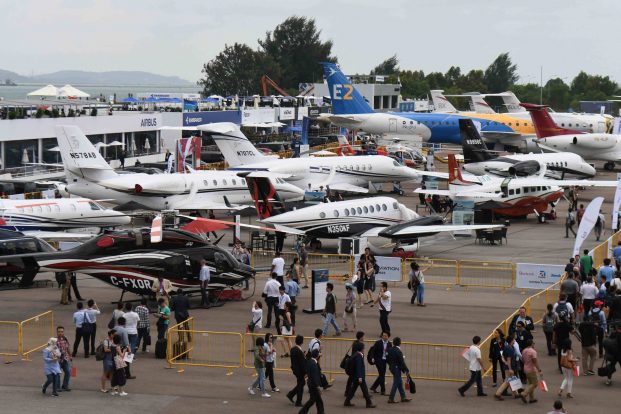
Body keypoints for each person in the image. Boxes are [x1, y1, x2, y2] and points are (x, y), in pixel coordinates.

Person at [344, 341, 376, 408]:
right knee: (365, 390)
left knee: (353, 389)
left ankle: (347, 401)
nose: (364, 349)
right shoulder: (358, 356)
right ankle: (369, 403)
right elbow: (358, 367)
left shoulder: (356, 354)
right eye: (363, 348)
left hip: (356, 376)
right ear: (361, 348)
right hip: (359, 376)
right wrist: (360, 377)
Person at [494, 334, 520, 400]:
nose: (514, 340)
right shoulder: (510, 348)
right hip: (509, 367)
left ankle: (516, 394)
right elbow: (509, 359)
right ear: (511, 340)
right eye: (514, 339)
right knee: (507, 381)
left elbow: (503, 356)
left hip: (508, 366)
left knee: (512, 380)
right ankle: (498, 393)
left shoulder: (508, 347)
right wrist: (510, 368)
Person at [386, 337, 412, 403]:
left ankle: (403, 397)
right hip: (397, 369)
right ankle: (391, 398)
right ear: (400, 343)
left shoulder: (390, 349)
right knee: (396, 383)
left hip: (392, 368)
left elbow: (387, 359)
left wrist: (391, 365)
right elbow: (402, 362)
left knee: (399, 383)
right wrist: (407, 370)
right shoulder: (398, 351)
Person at [299, 349, 324, 414]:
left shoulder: (310, 361)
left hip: (310, 383)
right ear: (317, 355)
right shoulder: (314, 364)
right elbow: (315, 376)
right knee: (312, 400)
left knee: (318, 401)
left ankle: (320, 412)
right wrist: (318, 387)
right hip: (313, 385)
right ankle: (302, 412)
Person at [520, 338, 542, 404]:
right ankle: (524, 393)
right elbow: (535, 362)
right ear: (532, 344)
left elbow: (522, 359)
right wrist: (539, 370)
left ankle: (532, 398)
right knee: (535, 384)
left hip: (525, 368)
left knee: (530, 383)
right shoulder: (533, 352)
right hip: (531, 369)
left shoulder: (524, 350)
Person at [369, 331, 392, 395]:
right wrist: (372, 358)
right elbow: (373, 351)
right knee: (382, 374)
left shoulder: (389, 344)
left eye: (385, 335)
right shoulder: (378, 343)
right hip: (378, 361)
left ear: (388, 337)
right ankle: (383, 390)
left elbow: (390, 353)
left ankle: (373, 387)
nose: (384, 337)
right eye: (383, 335)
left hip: (385, 361)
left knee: (382, 375)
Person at [287, 334, 306, 407]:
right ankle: (298, 402)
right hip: (300, 371)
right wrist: (305, 372)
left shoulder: (293, 349)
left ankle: (291, 394)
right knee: (301, 385)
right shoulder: (299, 351)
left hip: (295, 369)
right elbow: (302, 363)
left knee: (301, 383)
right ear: (302, 342)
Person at [56, 326, 72, 392]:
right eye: (59, 331)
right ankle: (57, 387)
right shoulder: (54, 340)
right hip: (58, 360)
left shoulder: (65, 339)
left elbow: (68, 348)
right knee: (58, 373)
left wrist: (70, 356)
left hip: (65, 358)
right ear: (57, 332)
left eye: (62, 331)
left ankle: (65, 385)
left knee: (68, 372)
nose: (60, 333)